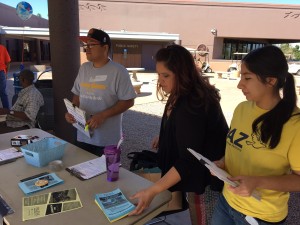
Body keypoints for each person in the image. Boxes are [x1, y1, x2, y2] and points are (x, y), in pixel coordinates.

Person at [129, 44, 228, 225]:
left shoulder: (192, 104)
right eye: (158, 74)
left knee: (203, 220)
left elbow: (189, 159)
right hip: (197, 176)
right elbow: (188, 131)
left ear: (182, 73)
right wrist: (166, 135)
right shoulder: (181, 93)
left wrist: (153, 190)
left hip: (205, 183)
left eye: (166, 75)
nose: (160, 81)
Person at [211, 45, 300, 225]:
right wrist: (223, 163)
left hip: (261, 216)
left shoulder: (295, 124)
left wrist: (257, 182)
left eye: (247, 77)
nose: (239, 84)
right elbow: (238, 147)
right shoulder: (241, 109)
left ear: (271, 81)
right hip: (227, 201)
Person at [65, 28, 136, 156]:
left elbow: (128, 101)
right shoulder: (84, 68)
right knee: (80, 172)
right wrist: (72, 111)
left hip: (107, 140)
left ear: (105, 48)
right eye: (86, 45)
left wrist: (102, 115)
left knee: (105, 175)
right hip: (82, 135)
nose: (87, 48)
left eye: (92, 44)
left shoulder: (118, 71)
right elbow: (77, 94)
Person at [0, 69, 44, 134]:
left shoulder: (33, 95)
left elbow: (29, 116)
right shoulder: (26, 91)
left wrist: (8, 112)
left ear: (23, 80)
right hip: (12, 122)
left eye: (19, 78)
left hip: (23, 126)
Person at [0, 44, 11, 109]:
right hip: (1, 72)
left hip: (1, 72)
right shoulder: (2, 48)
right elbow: (8, 62)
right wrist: (6, 73)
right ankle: (6, 110)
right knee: (3, 91)